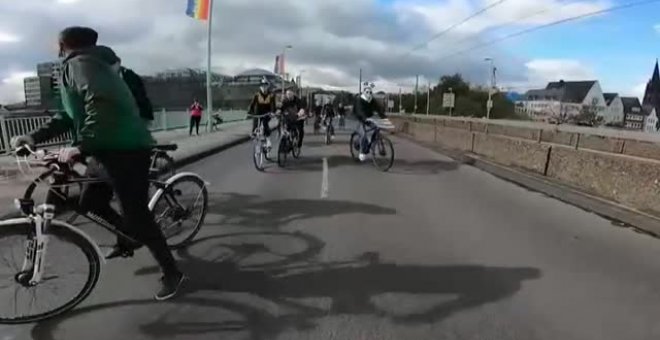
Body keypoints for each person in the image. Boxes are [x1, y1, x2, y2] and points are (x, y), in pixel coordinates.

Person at [10, 26, 185, 301]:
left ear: (62, 44)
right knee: (90, 201)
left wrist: (81, 145)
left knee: (138, 215)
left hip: (125, 150)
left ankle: (172, 271)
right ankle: (127, 237)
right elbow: (69, 116)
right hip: (104, 149)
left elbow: (101, 105)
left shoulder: (82, 64)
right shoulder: (89, 64)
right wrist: (33, 136)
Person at [353, 83, 386, 161]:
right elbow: (359, 111)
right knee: (363, 134)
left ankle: (373, 145)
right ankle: (361, 151)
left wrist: (384, 117)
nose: (369, 94)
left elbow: (378, 109)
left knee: (377, 128)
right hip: (359, 118)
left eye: (370, 92)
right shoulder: (359, 100)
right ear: (364, 92)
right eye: (367, 92)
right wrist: (364, 118)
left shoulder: (372, 100)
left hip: (368, 118)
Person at [248, 78, 275, 150]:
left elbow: (272, 105)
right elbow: (252, 104)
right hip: (258, 113)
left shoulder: (271, 95)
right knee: (255, 123)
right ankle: (254, 134)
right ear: (260, 87)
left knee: (265, 123)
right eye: (262, 86)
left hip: (267, 113)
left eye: (265, 86)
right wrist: (249, 112)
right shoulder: (257, 95)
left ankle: (268, 141)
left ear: (268, 86)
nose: (264, 87)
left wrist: (272, 112)